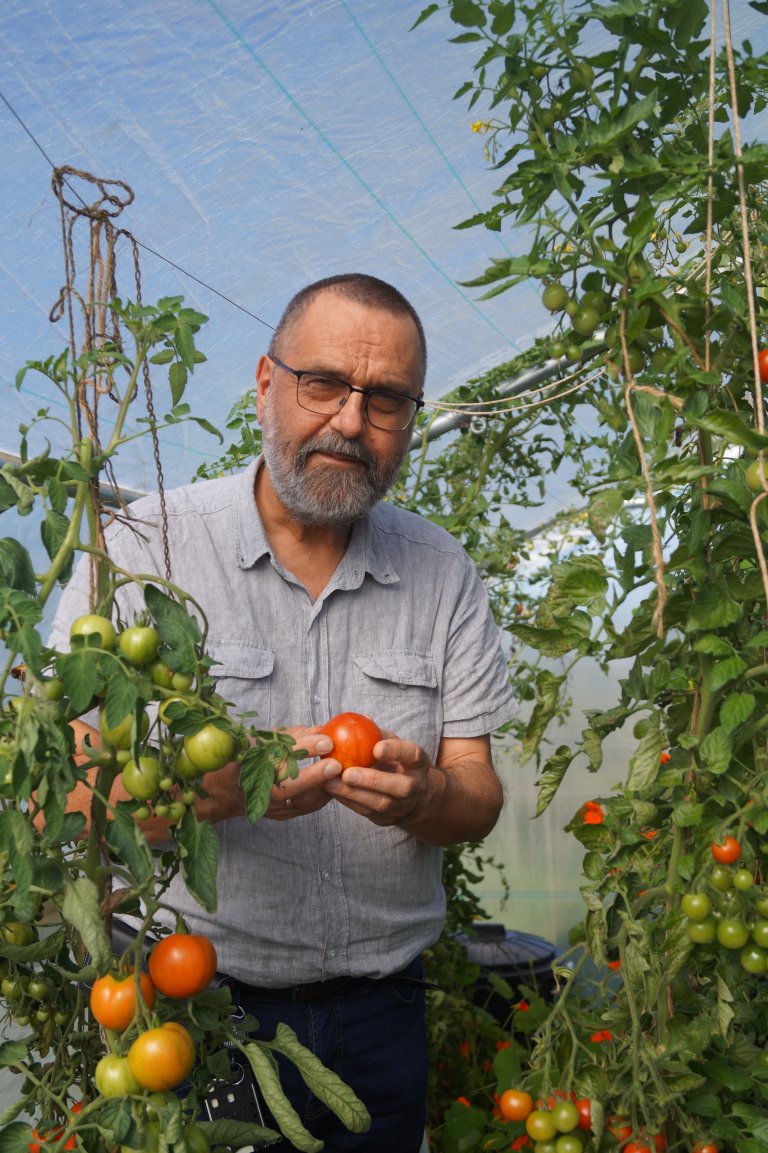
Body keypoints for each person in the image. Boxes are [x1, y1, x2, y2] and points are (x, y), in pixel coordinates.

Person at [49, 273, 517, 1151]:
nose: (350, 420)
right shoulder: (144, 550)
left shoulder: (441, 571)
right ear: (265, 383)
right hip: (195, 1015)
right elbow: (61, 811)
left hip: (384, 1014)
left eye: (385, 400)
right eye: (324, 384)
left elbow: (478, 793)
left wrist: (424, 799)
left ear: (411, 418)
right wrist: (204, 794)